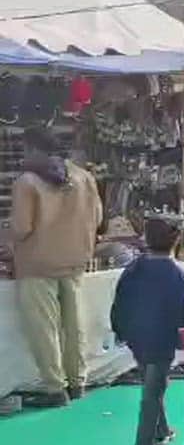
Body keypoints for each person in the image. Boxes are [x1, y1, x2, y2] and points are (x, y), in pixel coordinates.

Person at [8, 127, 102, 408]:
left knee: (44, 328)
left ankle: (54, 388)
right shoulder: (84, 177)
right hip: (75, 260)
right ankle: (78, 382)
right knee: (75, 326)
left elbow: (22, 228)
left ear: (33, 148)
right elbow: (97, 218)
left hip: (37, 264)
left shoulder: (27, 182)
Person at [110, 215, 184, 445]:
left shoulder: (133, 269)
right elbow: (183, 312)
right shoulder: (176, 275)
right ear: (176, 240)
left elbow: (119, 301)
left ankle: (161, 430)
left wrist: (120, 329)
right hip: (161, 338)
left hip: (136, 335)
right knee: (153, 390)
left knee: (153, 381)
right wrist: (183, 339)